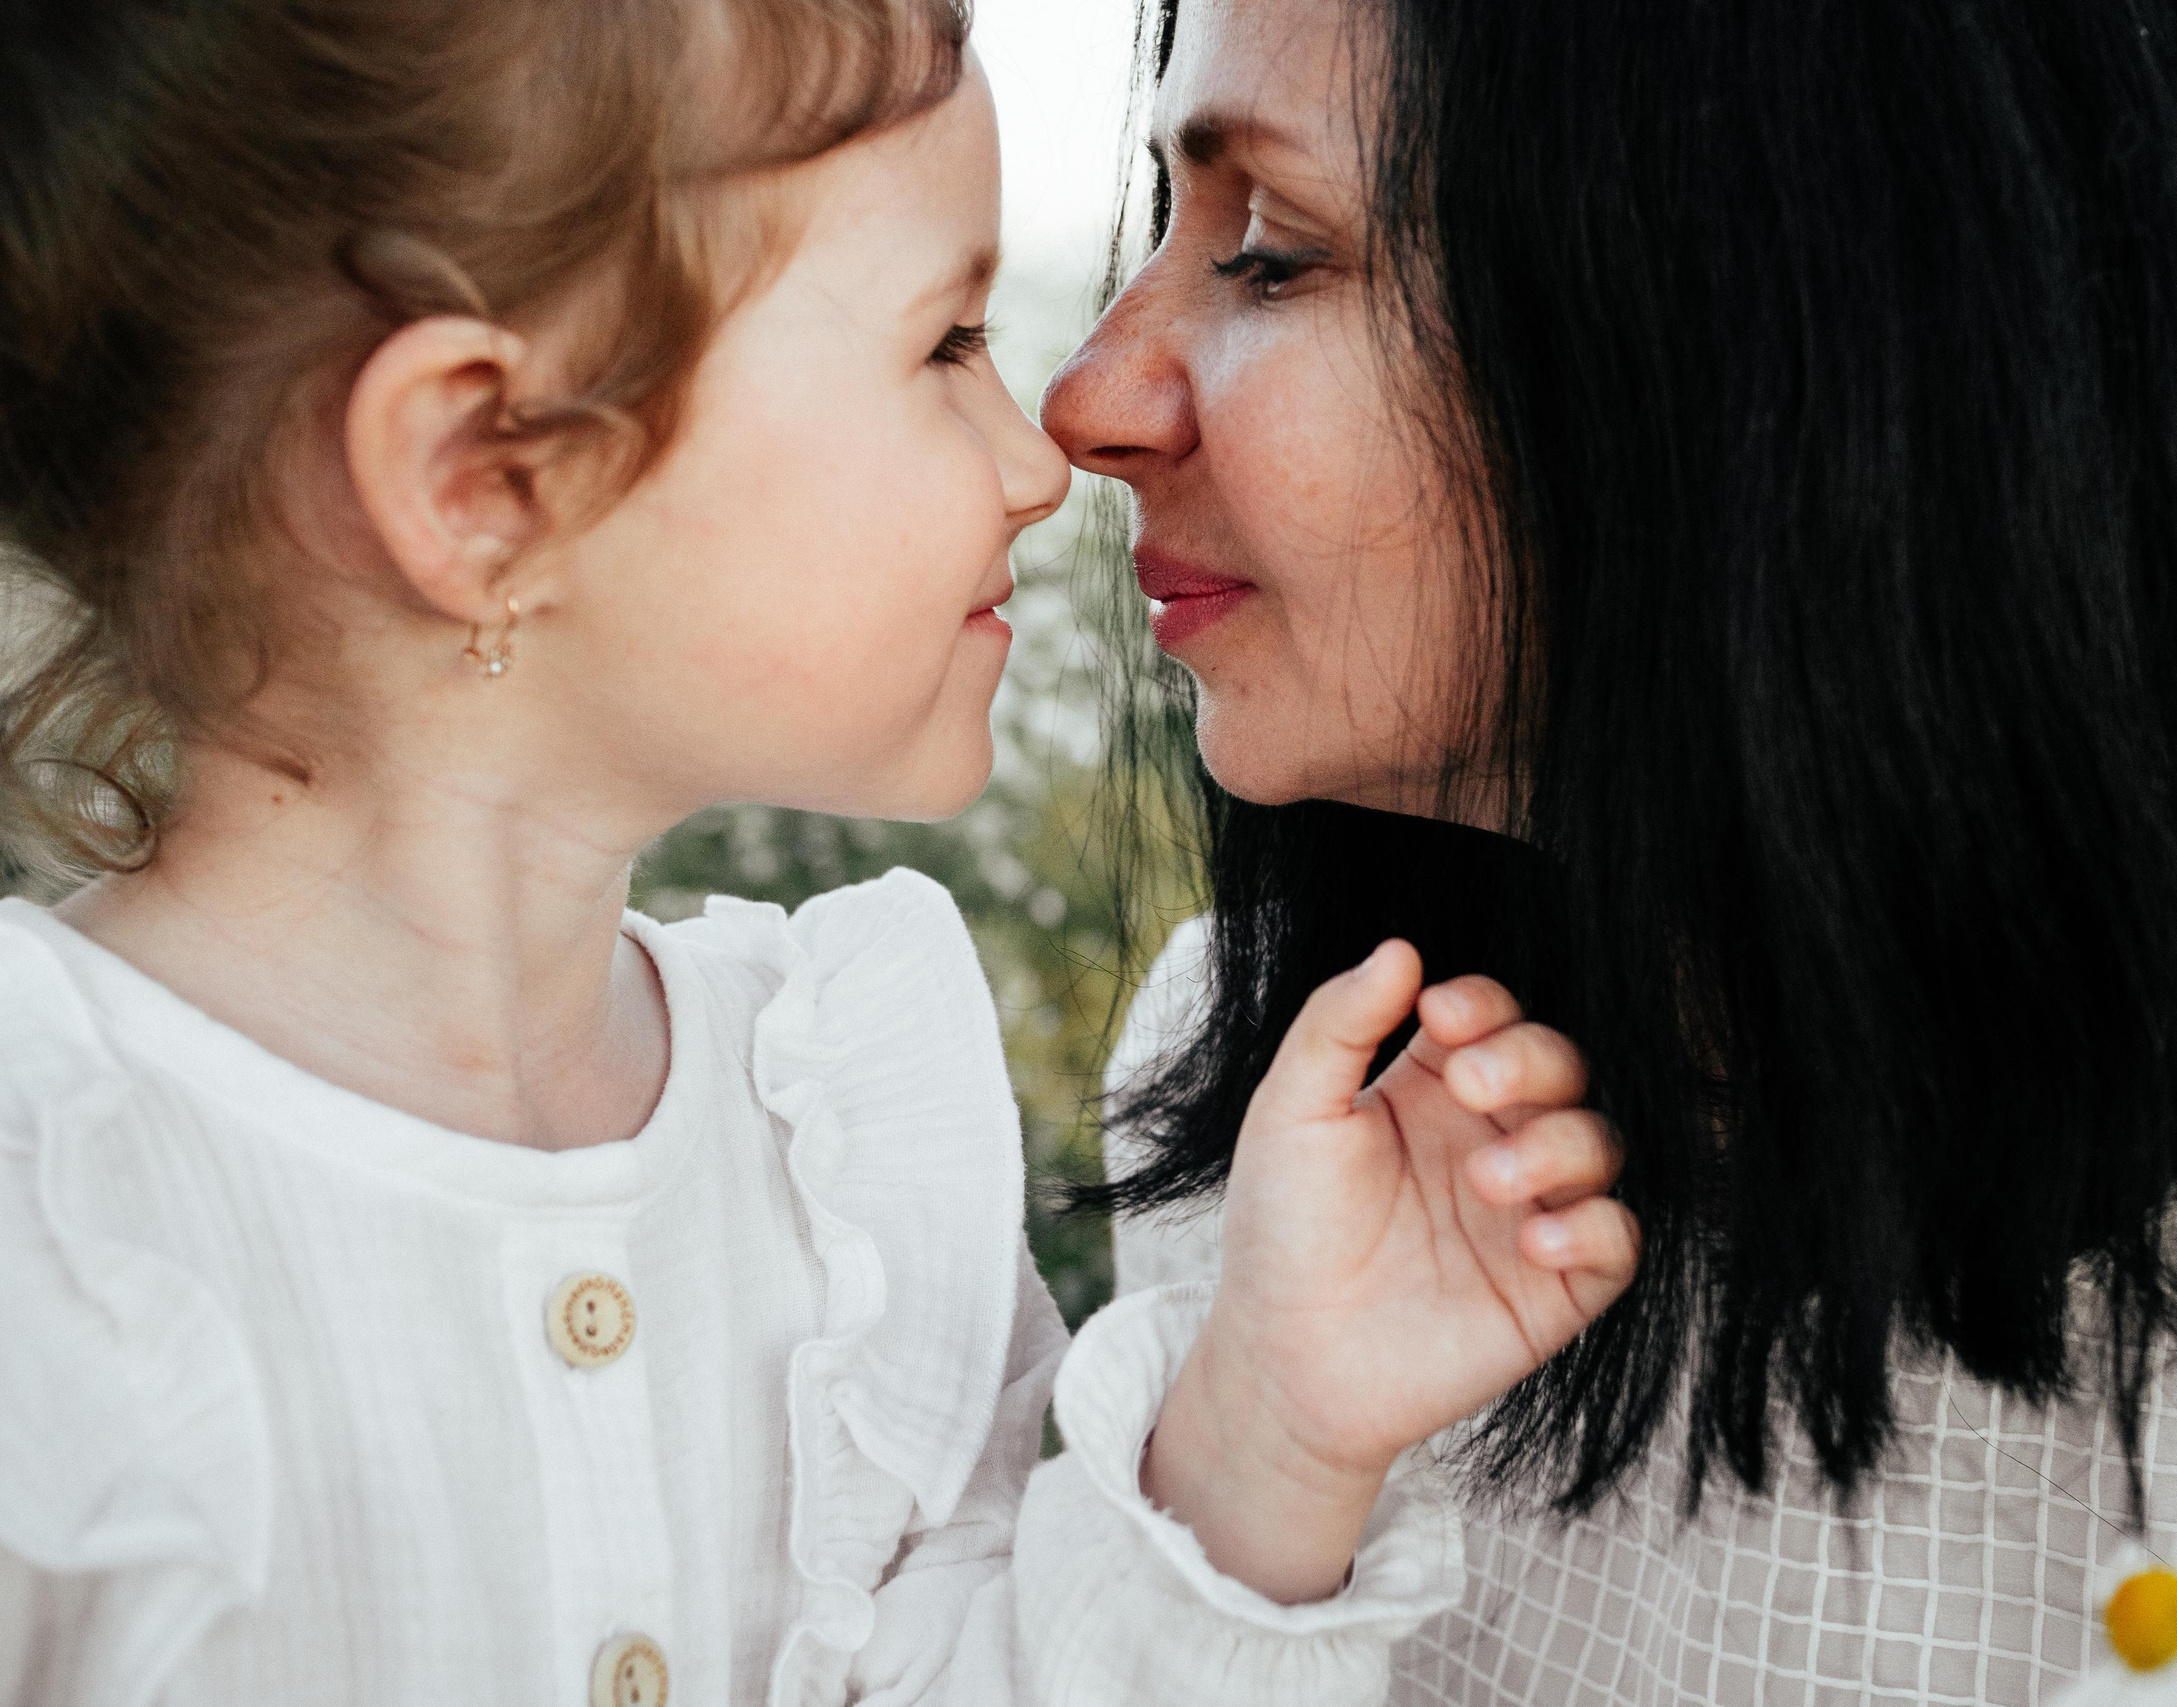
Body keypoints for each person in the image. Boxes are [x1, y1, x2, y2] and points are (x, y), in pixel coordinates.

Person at [0, 3, 1641, 1703]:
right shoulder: (42, 1217)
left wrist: (1263, 1445)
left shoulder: (851, 1141)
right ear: (484, 477)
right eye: (945, 344)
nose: (1040, 457)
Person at [1041, 0, 2177, 1699]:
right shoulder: (1299, 1130)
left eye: (1272, 248)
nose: (1088, 398)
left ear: (1793, 312)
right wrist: (1244, 1492)